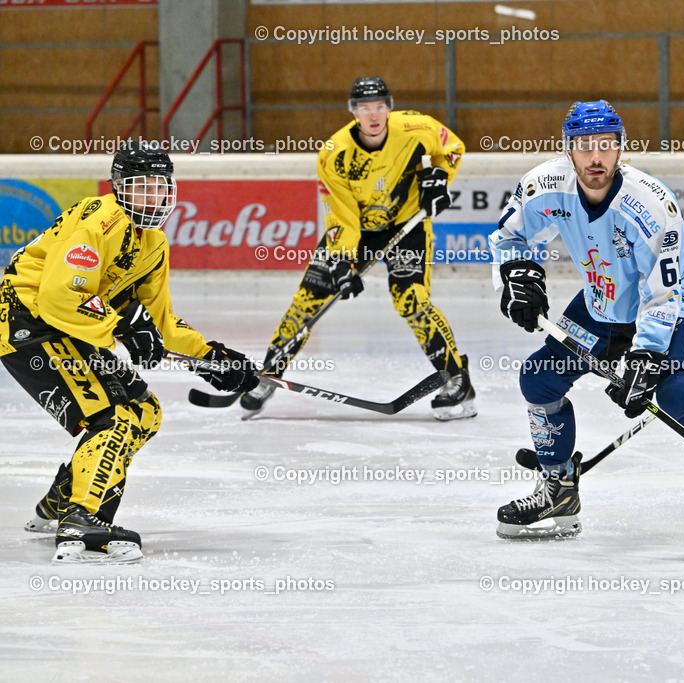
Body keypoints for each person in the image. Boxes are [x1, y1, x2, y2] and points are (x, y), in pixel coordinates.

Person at [487, 100, 684, 557]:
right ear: (568, 151)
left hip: (679, 304)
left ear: (622, 149)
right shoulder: (544, 185)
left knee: (681, 394)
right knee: (539, 377)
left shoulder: (648, 203)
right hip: (603, 301)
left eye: (606, 146)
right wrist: (517, 275)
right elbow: (509, 236)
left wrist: (645, 357)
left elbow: (663, 292)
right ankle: (558, 488)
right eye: (585, 147)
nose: (596, 158)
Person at [0, 140, 259, 564]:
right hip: (25, 324)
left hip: (68, 330)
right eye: (140, 187)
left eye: (159, 186)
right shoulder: (98, 221)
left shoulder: (153, 243)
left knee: (144, 411)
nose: (151, 196)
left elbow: (162, 323)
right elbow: (58, 297)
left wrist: (212, 357)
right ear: (119, 186)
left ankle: (62, 501)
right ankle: (83, 519)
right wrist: (122, 324)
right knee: (114, 416)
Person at [241, 76, 476, 421]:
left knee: (412, 301)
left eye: (379, 106)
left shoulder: (417, 127)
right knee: (308, 300)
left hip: (406, 224)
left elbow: (452, 148)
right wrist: (341, 262)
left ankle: (456, 378)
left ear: (390, 107)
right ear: (353, 112)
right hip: (358, 230)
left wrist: (439, 179)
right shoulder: (334, 154)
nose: (373, 115)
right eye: (365, 108)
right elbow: (342, 215)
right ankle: (268, 375)